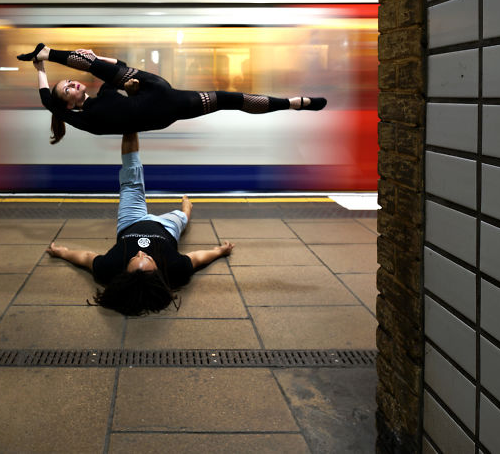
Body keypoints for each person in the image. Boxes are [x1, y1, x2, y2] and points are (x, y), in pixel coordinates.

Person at [45, 132, 234, 315]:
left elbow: (86, 257)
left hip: (130, 222)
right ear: (158, 273)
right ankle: (186, 207)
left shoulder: (110, 268)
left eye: (135, 258)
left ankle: (130, 121)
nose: (141, 252)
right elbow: (197, 258)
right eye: (148, 258)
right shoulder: (175, 270)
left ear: (125, 273)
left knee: (130, 179)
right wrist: (220, 251)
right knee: (183, 217)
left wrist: (61, 252)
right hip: (167, 227)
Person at [18, 43, 327, 144]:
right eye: (67, 89)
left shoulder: (104, 92)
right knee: (98, 67)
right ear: (67, 103)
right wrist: (40, 72)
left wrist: (97, 56)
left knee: (231, 99)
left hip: (160, 94)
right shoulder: (84, 119)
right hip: (165, 110)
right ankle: (46, 55)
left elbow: (121, 66)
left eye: (70, 81)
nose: (72, 85)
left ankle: (294, 103)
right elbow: (47, 101)